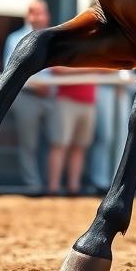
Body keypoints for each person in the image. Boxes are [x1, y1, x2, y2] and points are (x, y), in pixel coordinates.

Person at [4, 0, 54, 192]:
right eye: (35, 12)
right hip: (26, 96)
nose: (38, 17)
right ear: (28, 16)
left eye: (42, 12)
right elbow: (9, 70)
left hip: (51, 96)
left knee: (54, 142)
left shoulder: (53, 36)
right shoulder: (15, 39)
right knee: (29, 143)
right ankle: (32, 186)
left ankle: (50, 185)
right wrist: (36, 86)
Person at [47, 66, 98, 196]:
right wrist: (90, 69)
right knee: (59, 145)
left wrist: (80, 70)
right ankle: (53, 189)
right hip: (66, 100)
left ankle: (73, 188)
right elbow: (57, 70)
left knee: (79, 147)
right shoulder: (70, 48)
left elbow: (110, 69)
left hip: (88, 102)